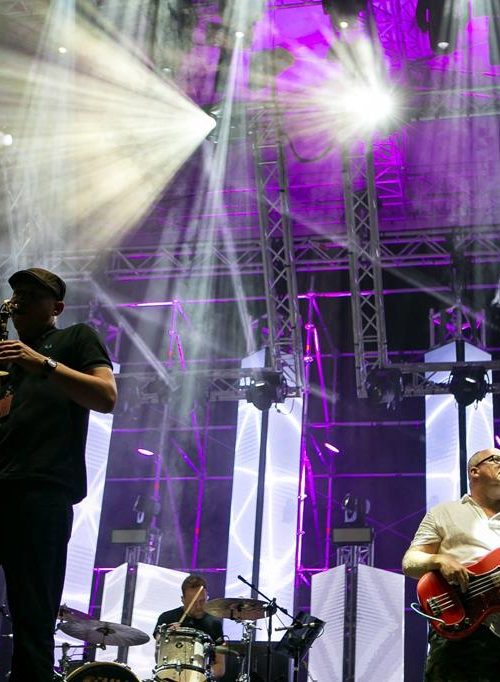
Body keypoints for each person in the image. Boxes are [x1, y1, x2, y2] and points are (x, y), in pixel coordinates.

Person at [0, 267, 117, 682]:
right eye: (16, 294)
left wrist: (41, 362)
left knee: (33, 615)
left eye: (33, 295)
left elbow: (106, 396)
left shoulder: (76, 338)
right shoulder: (6, 356)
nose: (19, 301)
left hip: (42, 493)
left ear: (57, 308)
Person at [402, 447, 500, 681]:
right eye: (497, 459)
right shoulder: (444, 512)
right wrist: (439, 560)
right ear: (475, 471)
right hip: (458, 628)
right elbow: (410, 562)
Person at [154, 574, 226, 679]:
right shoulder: (166, 618)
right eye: (193, 603)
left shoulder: (214, 624)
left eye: (202, 601)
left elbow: (220, 667)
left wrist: (202, 673)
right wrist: (165, 635)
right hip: (170, 677)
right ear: (183, 599)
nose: (198, 607)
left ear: (207, 596)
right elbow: (157, 658)